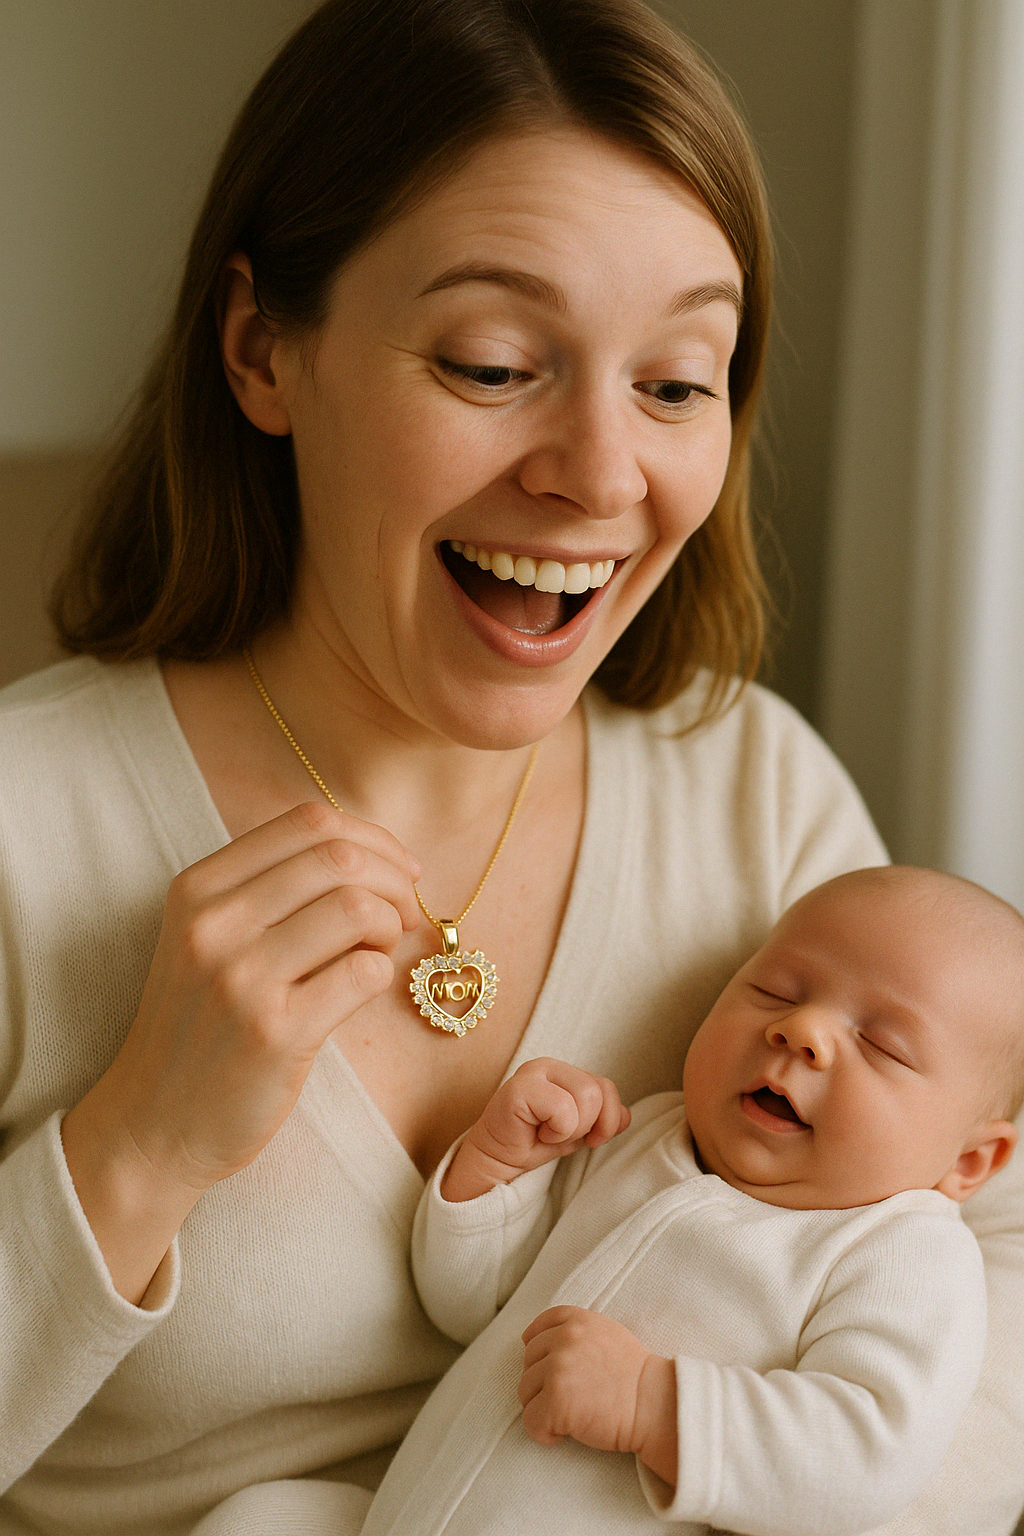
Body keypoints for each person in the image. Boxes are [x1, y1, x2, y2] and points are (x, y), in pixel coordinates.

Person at [0, 2, 1019, 1534]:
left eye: (677, 383)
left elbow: (993, 1306)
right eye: (490, 363)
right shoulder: (27, 826)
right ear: (263, 347)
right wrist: (132, 1147)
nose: (602, 476)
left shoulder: (762, 796)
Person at [359, 866, 1020, 1536]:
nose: (804, 1030)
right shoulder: (639, 1137)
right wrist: (496, 1168)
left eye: (882, 1045)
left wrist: (655, 1406)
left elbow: (866, 1455)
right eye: (775, 991)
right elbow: (466, 1309)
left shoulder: (904, 1254)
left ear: (969, 1160)